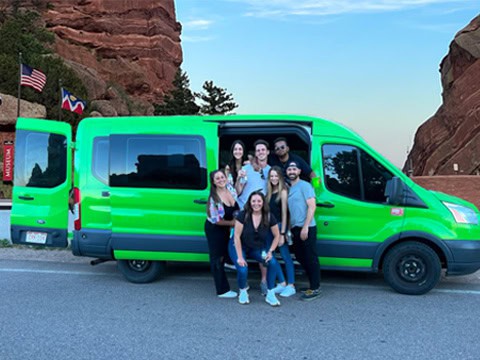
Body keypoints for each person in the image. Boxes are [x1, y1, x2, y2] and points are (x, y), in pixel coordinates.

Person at [228, 191, 282, 306]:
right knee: (242, 268)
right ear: (249, 202)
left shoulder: (268, 216)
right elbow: (236, 237)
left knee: (272, 262)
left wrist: (270, 251)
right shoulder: (243, 215)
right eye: (253, 201)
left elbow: (277, 235)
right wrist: (240, 257)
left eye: (259, 201)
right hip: (239, 245)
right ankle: (243, 291)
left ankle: (270, 293)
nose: (256, 204)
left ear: (263, 203)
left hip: (256, 247)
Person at [236, 139, 271, 295]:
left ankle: (263, 281)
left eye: (263, 150)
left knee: (262, 246)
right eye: (258, 150)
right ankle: (243, 280)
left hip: (261, 213)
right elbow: (237, 190)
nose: (261, 152)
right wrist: (239, 178)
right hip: (245, 213)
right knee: (243, 244)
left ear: (268, 152)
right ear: (255, 153)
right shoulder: (246, 169)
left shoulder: (271, 171)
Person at [286, 160, 321, 301]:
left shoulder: (305, 186)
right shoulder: (288, 188)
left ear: (299, 171)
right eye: (289, 169)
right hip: (295, 229)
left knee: (311, 258)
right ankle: (311, 285)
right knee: (300, 256)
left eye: (294, 169)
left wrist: (306, 226)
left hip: (307, 228)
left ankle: (315, 288)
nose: (292, 171)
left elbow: (312, 206)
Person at [204, 169, 240, 299]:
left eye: (222, 177)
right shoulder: (214, 199)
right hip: (215, 229)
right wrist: (233, 223)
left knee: (224, 255)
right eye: (217, 179)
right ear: (213, 182)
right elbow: (217, 221)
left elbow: (233, 177)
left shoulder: (230, 187)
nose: (221, 180)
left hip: (226, 229)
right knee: (217, 259)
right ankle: (222, 290)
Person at [266, 166, 296, 297]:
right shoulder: (268, 192)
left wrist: (283, 233)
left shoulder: (283, 191)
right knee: (270, 255)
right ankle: (283, 282)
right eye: (271, 176)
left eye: (276, 176)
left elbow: (285, 214)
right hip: (268, 228)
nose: (273, 178)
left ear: (280, 177)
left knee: (285, 256)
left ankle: (291, 285)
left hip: (279, 228)